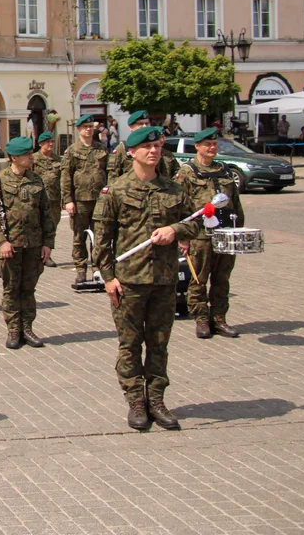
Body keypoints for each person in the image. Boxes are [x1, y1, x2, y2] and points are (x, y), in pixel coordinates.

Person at [93, 126, 200, 431]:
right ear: (132, 152)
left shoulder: (175, 191)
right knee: (130, 344)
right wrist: (108, 278)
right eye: (146, 147)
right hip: (128, 281)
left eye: (156, 146)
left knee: (159, 343)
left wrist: (175, 230)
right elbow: (103, 240)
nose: (153, 151)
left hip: (164, 281)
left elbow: (196, 224)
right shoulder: (116, 190)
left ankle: (156, 399)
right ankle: (135, 401)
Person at [175, 127, 245, 339]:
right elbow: (179, 206)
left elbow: (235, 204)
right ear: (197, 147)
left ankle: (219, 319)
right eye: (207, 145)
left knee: (222, 279)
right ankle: (202, 320)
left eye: (214, 144)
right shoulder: (187, 172)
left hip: (225, 234)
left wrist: (239, 231)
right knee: (198, 280)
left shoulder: (223, 170)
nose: (212, 148)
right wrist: (183, 237)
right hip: (200, 235)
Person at [0, 137, 55, 350]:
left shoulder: (36, 180)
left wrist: (47, 242)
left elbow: (46, 213)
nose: (30, 157)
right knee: (11, 288)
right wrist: (2, 241)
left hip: (33, 245)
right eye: (26, 154)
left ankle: (27, 327)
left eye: (30, 153)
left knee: (29, 288)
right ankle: (13, 329)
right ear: (14, 157)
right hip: (11, 246)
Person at [60, 114, 109, 284]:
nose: (88, 129)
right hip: (80, 200)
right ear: (79, 129)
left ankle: (97, 269)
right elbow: (66, 176)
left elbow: (108, 173)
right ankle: (81, 268)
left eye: (90, 126)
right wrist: (68, 200)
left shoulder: (101, 149)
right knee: (79, 237)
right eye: (85, 127)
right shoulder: (72, 150)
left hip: (99, 200)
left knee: (99, 236)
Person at [108, 111, 179, 180]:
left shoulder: (156, 147)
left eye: (147, 123)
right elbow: (113, 176)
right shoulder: (123, 148)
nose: (144, 126)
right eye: (140, 124)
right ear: (131, 127)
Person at [32, 132, 63, 267]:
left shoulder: (58, 160)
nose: (50, 144)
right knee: (37, 227)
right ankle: (35, 254)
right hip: (38, 200)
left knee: (51, 228)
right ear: (40, 144)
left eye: (52, 141)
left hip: (54, 200)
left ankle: (47, 255)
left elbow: (63, 180)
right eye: (47, 142)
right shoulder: (33, 159)